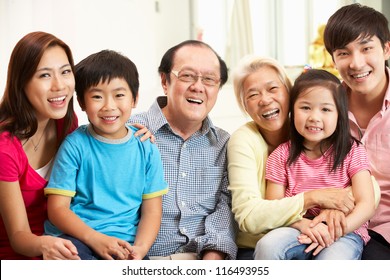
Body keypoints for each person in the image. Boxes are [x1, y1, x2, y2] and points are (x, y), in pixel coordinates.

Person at [227, 55, 380, 260]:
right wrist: (305, 225)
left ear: (339, 114)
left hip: (344, 232)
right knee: (268, 246)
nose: (314, 117)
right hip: (296, 229)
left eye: (325, 109)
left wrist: (334, 230)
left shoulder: (352, 151)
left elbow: (367, 203)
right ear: (294, 107)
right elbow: (275, 205)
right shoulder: (280, 155)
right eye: (305, 108)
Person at [44, 50, 168, 260]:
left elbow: (152, 212)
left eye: (119, 95)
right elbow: (57, 209)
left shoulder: (146, 148)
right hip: (79, 238)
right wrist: (94, 238)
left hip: (126, 245)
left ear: (134, 99)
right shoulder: (75, 145)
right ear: (82, 103)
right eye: (97, 97)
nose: (109, 106)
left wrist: (141, 249)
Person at [129, 40, 237, 260]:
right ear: (165, 81)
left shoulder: (224, 143)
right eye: (187, 76)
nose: (198, 86)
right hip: (143, 258)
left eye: (209, 79)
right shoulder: (128, 132)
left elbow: (225, 208)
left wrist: (212, 262)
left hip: (202, 258)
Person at [0, 31, 81, 260]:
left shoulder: (65, 124)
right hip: (19, 259)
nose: (59, 86)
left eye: (65, 72)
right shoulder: (5, 149)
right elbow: (18, 236)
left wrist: (131, 133)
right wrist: (48, 244)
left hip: (65, 250)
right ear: (21, 82)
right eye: (45, 75)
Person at [324, 3, 390, 260]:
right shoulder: (322, 110)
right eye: (343, 53)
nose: (356, 63)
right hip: (335, 228)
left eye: (366, 48)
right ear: (333, 60)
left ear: (386, 49)